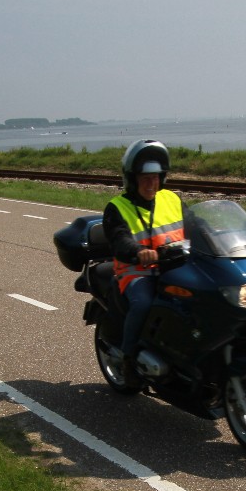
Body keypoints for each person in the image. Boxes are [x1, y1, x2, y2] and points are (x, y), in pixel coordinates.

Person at [101, 139, 184, 383]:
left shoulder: (171, 199)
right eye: (145, 178)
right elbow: (120, 240)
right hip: (136, 272)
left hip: (174, 267)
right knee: (143, 303)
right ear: (132, 179)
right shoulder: (117, 208)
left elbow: (196, 225)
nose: (151, 183)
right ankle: (128, 357)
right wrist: (139, 251)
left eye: (156, 177)